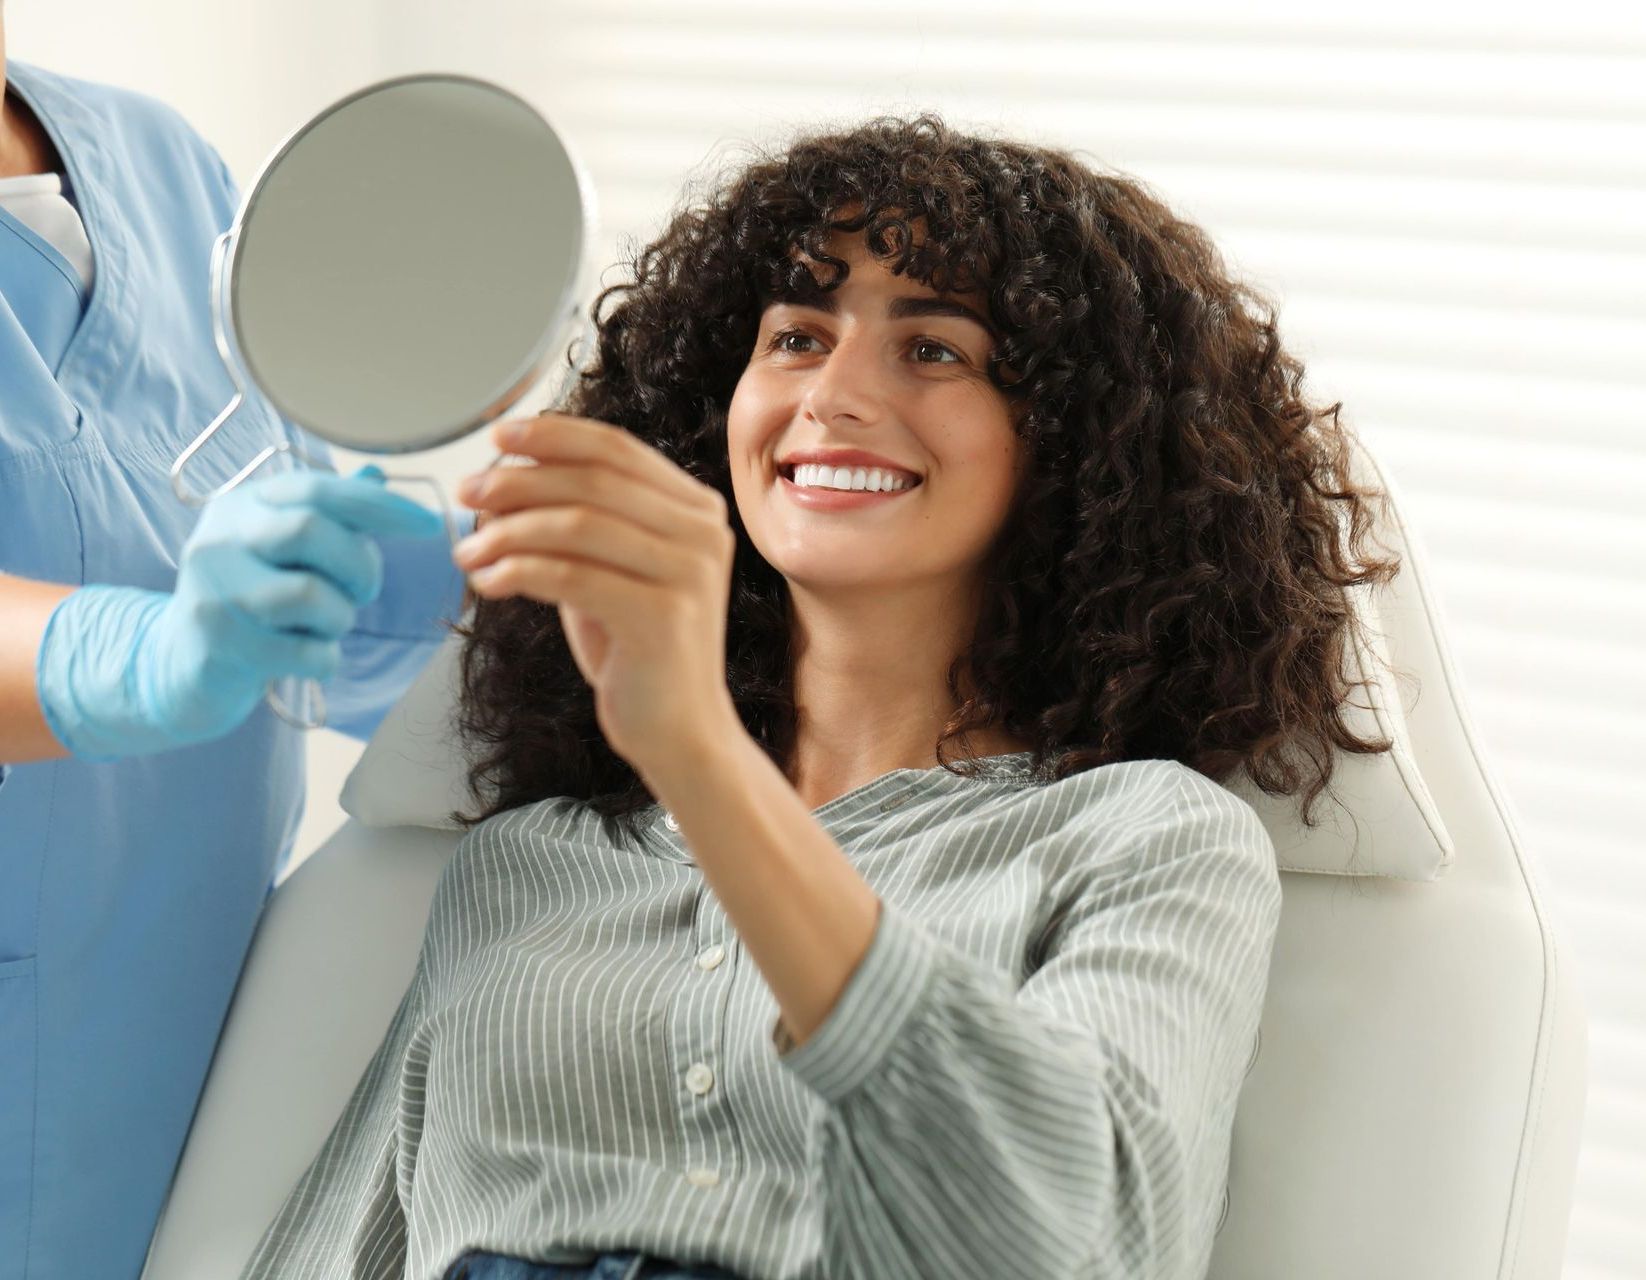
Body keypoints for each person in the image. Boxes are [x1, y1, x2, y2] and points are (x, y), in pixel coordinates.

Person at [238, 113, 1403, 1280]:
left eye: (935, 349)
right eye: (796, 335)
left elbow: (1071, 1240)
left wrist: (701, 756)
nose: (832, 395)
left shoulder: (1142, 838)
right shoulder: (525, 863)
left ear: (1080, 443)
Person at [0, 43, 474, 1280]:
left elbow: (284, 571)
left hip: (211, 1098)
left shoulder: (162, 167)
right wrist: (143, 652)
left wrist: (458, 601)